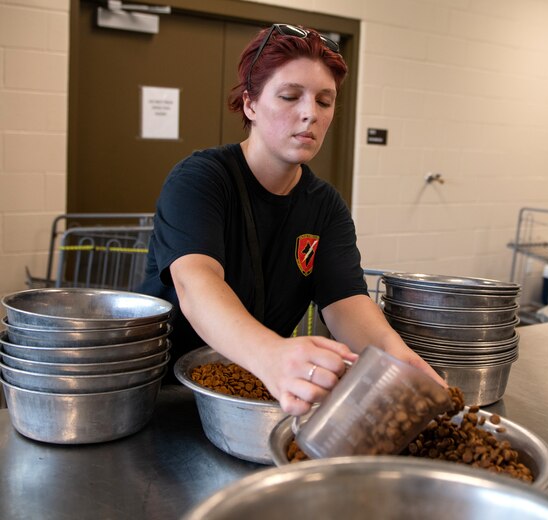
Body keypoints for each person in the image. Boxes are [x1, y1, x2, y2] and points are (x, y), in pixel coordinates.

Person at [139, 23, 444, 415]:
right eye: (289, 96)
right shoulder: (201, 180)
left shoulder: (325, 206)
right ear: (250, 104)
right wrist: (271, 355)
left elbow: (347, 302)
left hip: (258, 393)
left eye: (324, 101)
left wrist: (394, 357)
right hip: (164, 396)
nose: (309, 114)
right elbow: (195, 283)